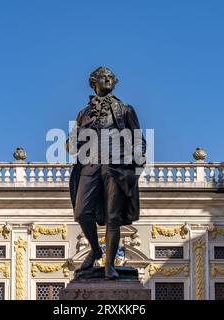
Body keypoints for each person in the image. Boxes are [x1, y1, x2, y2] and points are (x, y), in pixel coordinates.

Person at [68, 67, 146, 279]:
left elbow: (139, 140)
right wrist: (72, 140)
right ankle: (95, 249)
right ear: (94, 81)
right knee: (81, 212)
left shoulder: (125, 109)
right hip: (90, 164)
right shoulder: (83, 113)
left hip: (116, 165)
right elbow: (71, 146)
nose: (109, 79)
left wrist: (135, 167)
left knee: (113, 217)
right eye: (104, 77)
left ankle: (109, 264)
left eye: (111, 77)